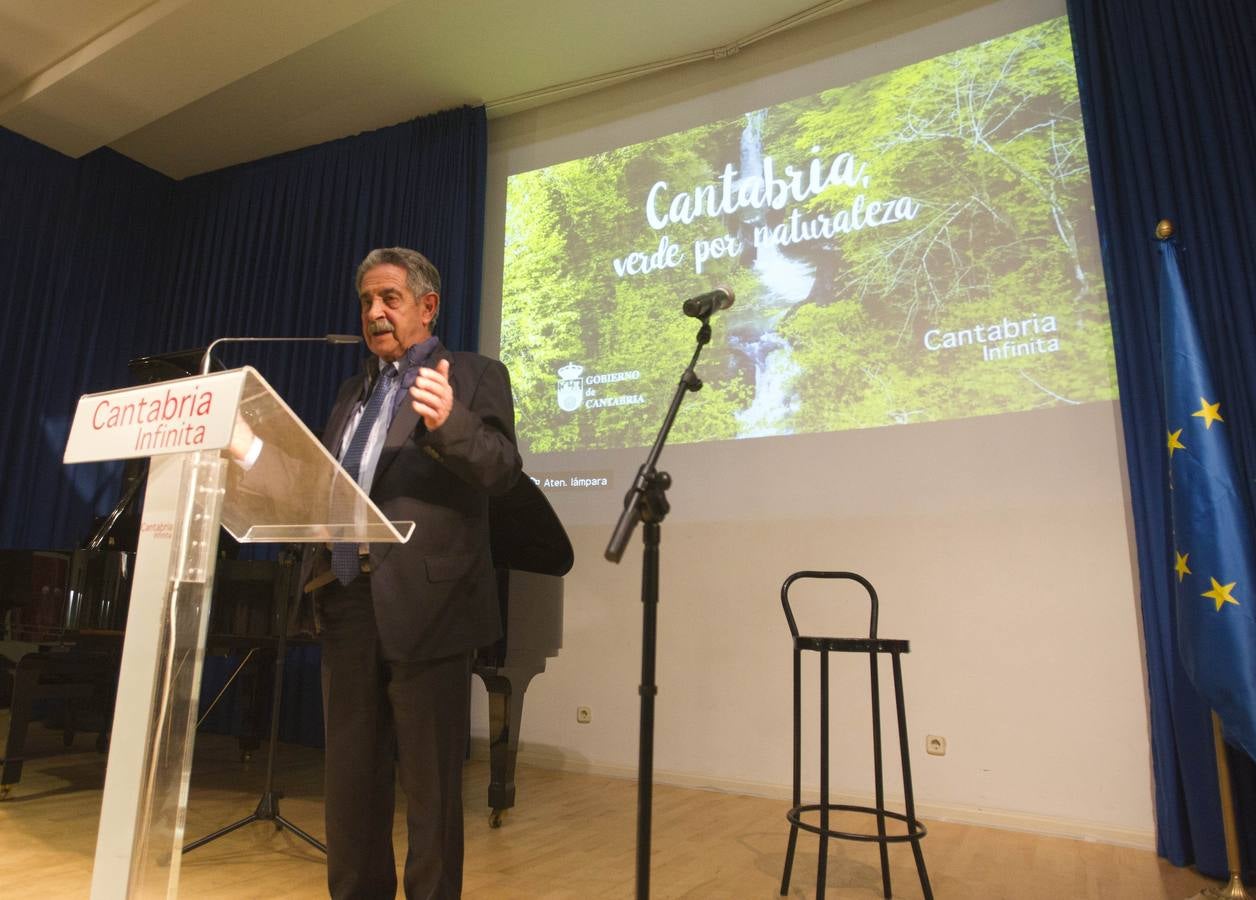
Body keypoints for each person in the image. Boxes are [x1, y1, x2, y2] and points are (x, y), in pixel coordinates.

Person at [277, 247, 521, 898]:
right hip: (347, 599)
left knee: (432, 793)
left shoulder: (472, 375)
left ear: (427, 306)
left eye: (388, 298)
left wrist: (452, 423)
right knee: (350, 787)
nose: (375, 312)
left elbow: (501, 471)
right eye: (365, 301)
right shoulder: (350, 392)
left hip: (429, 610)